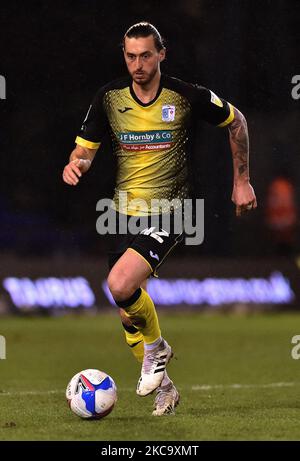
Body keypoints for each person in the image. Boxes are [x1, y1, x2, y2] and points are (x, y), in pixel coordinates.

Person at [62, 22, 257, 416]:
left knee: (119, 283)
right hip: (122, 215)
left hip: (172, 210)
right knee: (126, 308)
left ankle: (157, 350)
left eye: (146, 55)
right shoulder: (109, 98)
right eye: (131, 56)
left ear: (161, 54)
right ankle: (165, 388)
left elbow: (237, 122)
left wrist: (243, 181)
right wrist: (76, 165)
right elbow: (84, 150)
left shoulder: (184, 96)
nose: (138, 64)